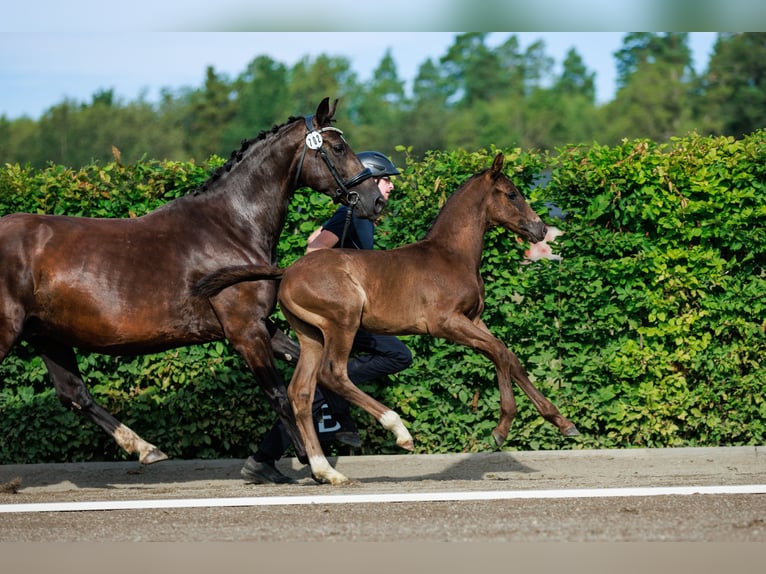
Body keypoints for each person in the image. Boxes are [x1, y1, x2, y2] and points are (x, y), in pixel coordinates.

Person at [241, 151, 413, 484]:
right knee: (395, 354)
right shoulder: (348, 213)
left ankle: (267, 454)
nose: (391, 187)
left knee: (384, 358)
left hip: (354, 311)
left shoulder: (361, 216)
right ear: (371, 180)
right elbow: (314, 251)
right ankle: (270, 450)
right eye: (387, 180)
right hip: (339, 309)